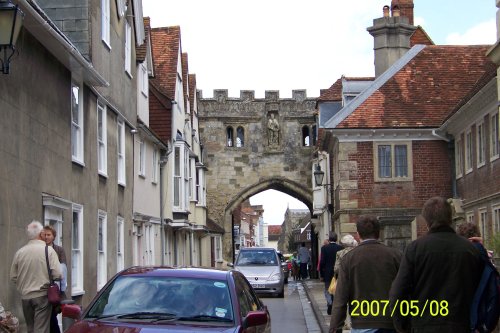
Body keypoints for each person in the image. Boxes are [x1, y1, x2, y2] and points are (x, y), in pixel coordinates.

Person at [389, 198, 484, 333]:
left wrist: (402, 325)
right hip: (462, 324)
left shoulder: (415, 249)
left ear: (426, 221)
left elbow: (398, 292)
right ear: (450, 218)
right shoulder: (470, 249)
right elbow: (483, 287)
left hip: (424, 325)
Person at [330, 215, 402, 333]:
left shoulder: (348, 259)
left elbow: (340, 298)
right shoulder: (395, 255)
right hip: (391, 322)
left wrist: (335, 328)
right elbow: (406, 289)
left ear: (358, 234)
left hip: (362, 323)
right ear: (378, 233)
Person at [10, 221, 62, 333]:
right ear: (41, 234)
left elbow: (13, 276)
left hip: (25, 296)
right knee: (41, 329)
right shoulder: (48, 250)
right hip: (42, 295)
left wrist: (24, 285)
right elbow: (58, 274)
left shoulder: (20, 252)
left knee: (30, 328)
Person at [43, 225, 67, 333]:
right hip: (43, 287)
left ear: (53, 237)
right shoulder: (40, 249)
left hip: (54, 288)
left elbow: (63, 268)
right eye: (45, 235)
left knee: (53, 314)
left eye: (49, 235)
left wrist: (62, 290)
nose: (46, 237)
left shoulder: (59, 250)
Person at [319, 232, 343, 315]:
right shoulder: (341, 248)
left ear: (329, 239)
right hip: (338, 273)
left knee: (328, 289)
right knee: (337, 289)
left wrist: (321, 274)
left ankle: (330, 303)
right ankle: (336, 305)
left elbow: (322, 262)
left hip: (327, 273)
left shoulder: (324, 248)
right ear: (336, 239)